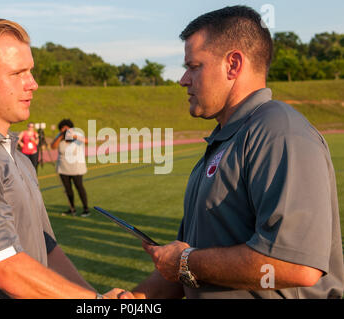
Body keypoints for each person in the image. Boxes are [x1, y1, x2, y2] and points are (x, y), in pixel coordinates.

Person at [123, 6, 343, 299]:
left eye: (194, 66)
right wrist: (136, 299)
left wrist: (185, 261)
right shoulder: (225, 140)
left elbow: (295, 265)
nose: (183, 79)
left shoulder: (278, 131)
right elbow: (187, 263)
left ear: (233, 65)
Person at [0, 19, 130, 299]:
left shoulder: (13, 153)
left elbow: (46, 247)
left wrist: (91, 297)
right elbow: (6, 269)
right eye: (18, 73)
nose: (33, 84)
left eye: (30, 71)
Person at [51, 119, 90, 217]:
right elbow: (53, 146)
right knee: (68, 189)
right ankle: (72, 208)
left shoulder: (76, 134)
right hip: (63, 167)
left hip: (76, 167)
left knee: (79, 187)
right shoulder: (60, 137)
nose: (65, 130)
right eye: (63, 128)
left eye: (67, 128)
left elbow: (87, 141)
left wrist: (74, 135)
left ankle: (86, 208)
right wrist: (60, 135)